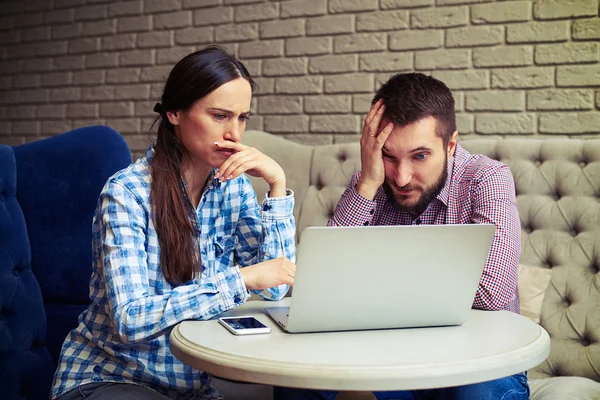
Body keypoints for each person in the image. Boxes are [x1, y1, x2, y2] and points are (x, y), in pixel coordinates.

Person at [51, 45, 297, 400]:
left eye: (242, 118)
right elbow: (130, 319)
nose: (235, 134)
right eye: (219, 115)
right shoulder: (127, 193)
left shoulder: (234, 188)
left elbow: (273, 288)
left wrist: (276, 185)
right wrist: (240, 279)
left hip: (191, 388)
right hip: (109, 378)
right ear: (174, 112)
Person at [274, 73, 527, 400]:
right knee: (298, 378)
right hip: (394, 366)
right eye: (389, 156)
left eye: (419, 156)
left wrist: (371, 281)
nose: (402, 177)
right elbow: (320, 281)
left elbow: (493, 292)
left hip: (478, 363)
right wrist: (366, 183)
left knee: (478, 389)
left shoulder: (486, 179)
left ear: (450, 145)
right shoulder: (374, 181)